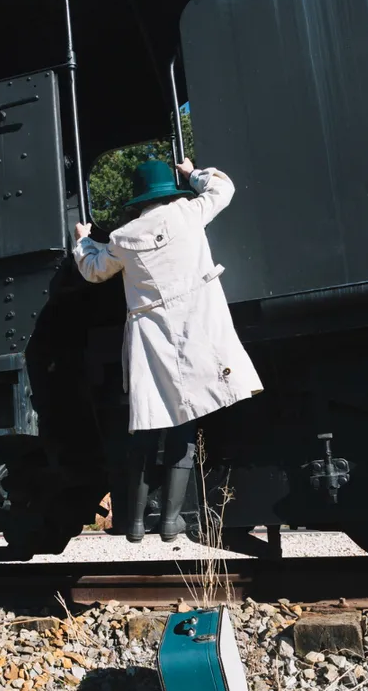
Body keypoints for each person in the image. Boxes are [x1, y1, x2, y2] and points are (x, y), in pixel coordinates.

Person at [73, 157, 263, 543]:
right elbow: (222, 188)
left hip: (151, 339)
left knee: (146, 427)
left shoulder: (124, 238)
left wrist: (82, 238)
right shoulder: (188, 213)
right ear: (168, 190)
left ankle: (138, 524)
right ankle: (172, 522)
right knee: (184, 424)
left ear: (139, 198)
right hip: (197, 326)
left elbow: (93, 270)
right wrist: (192, 172)